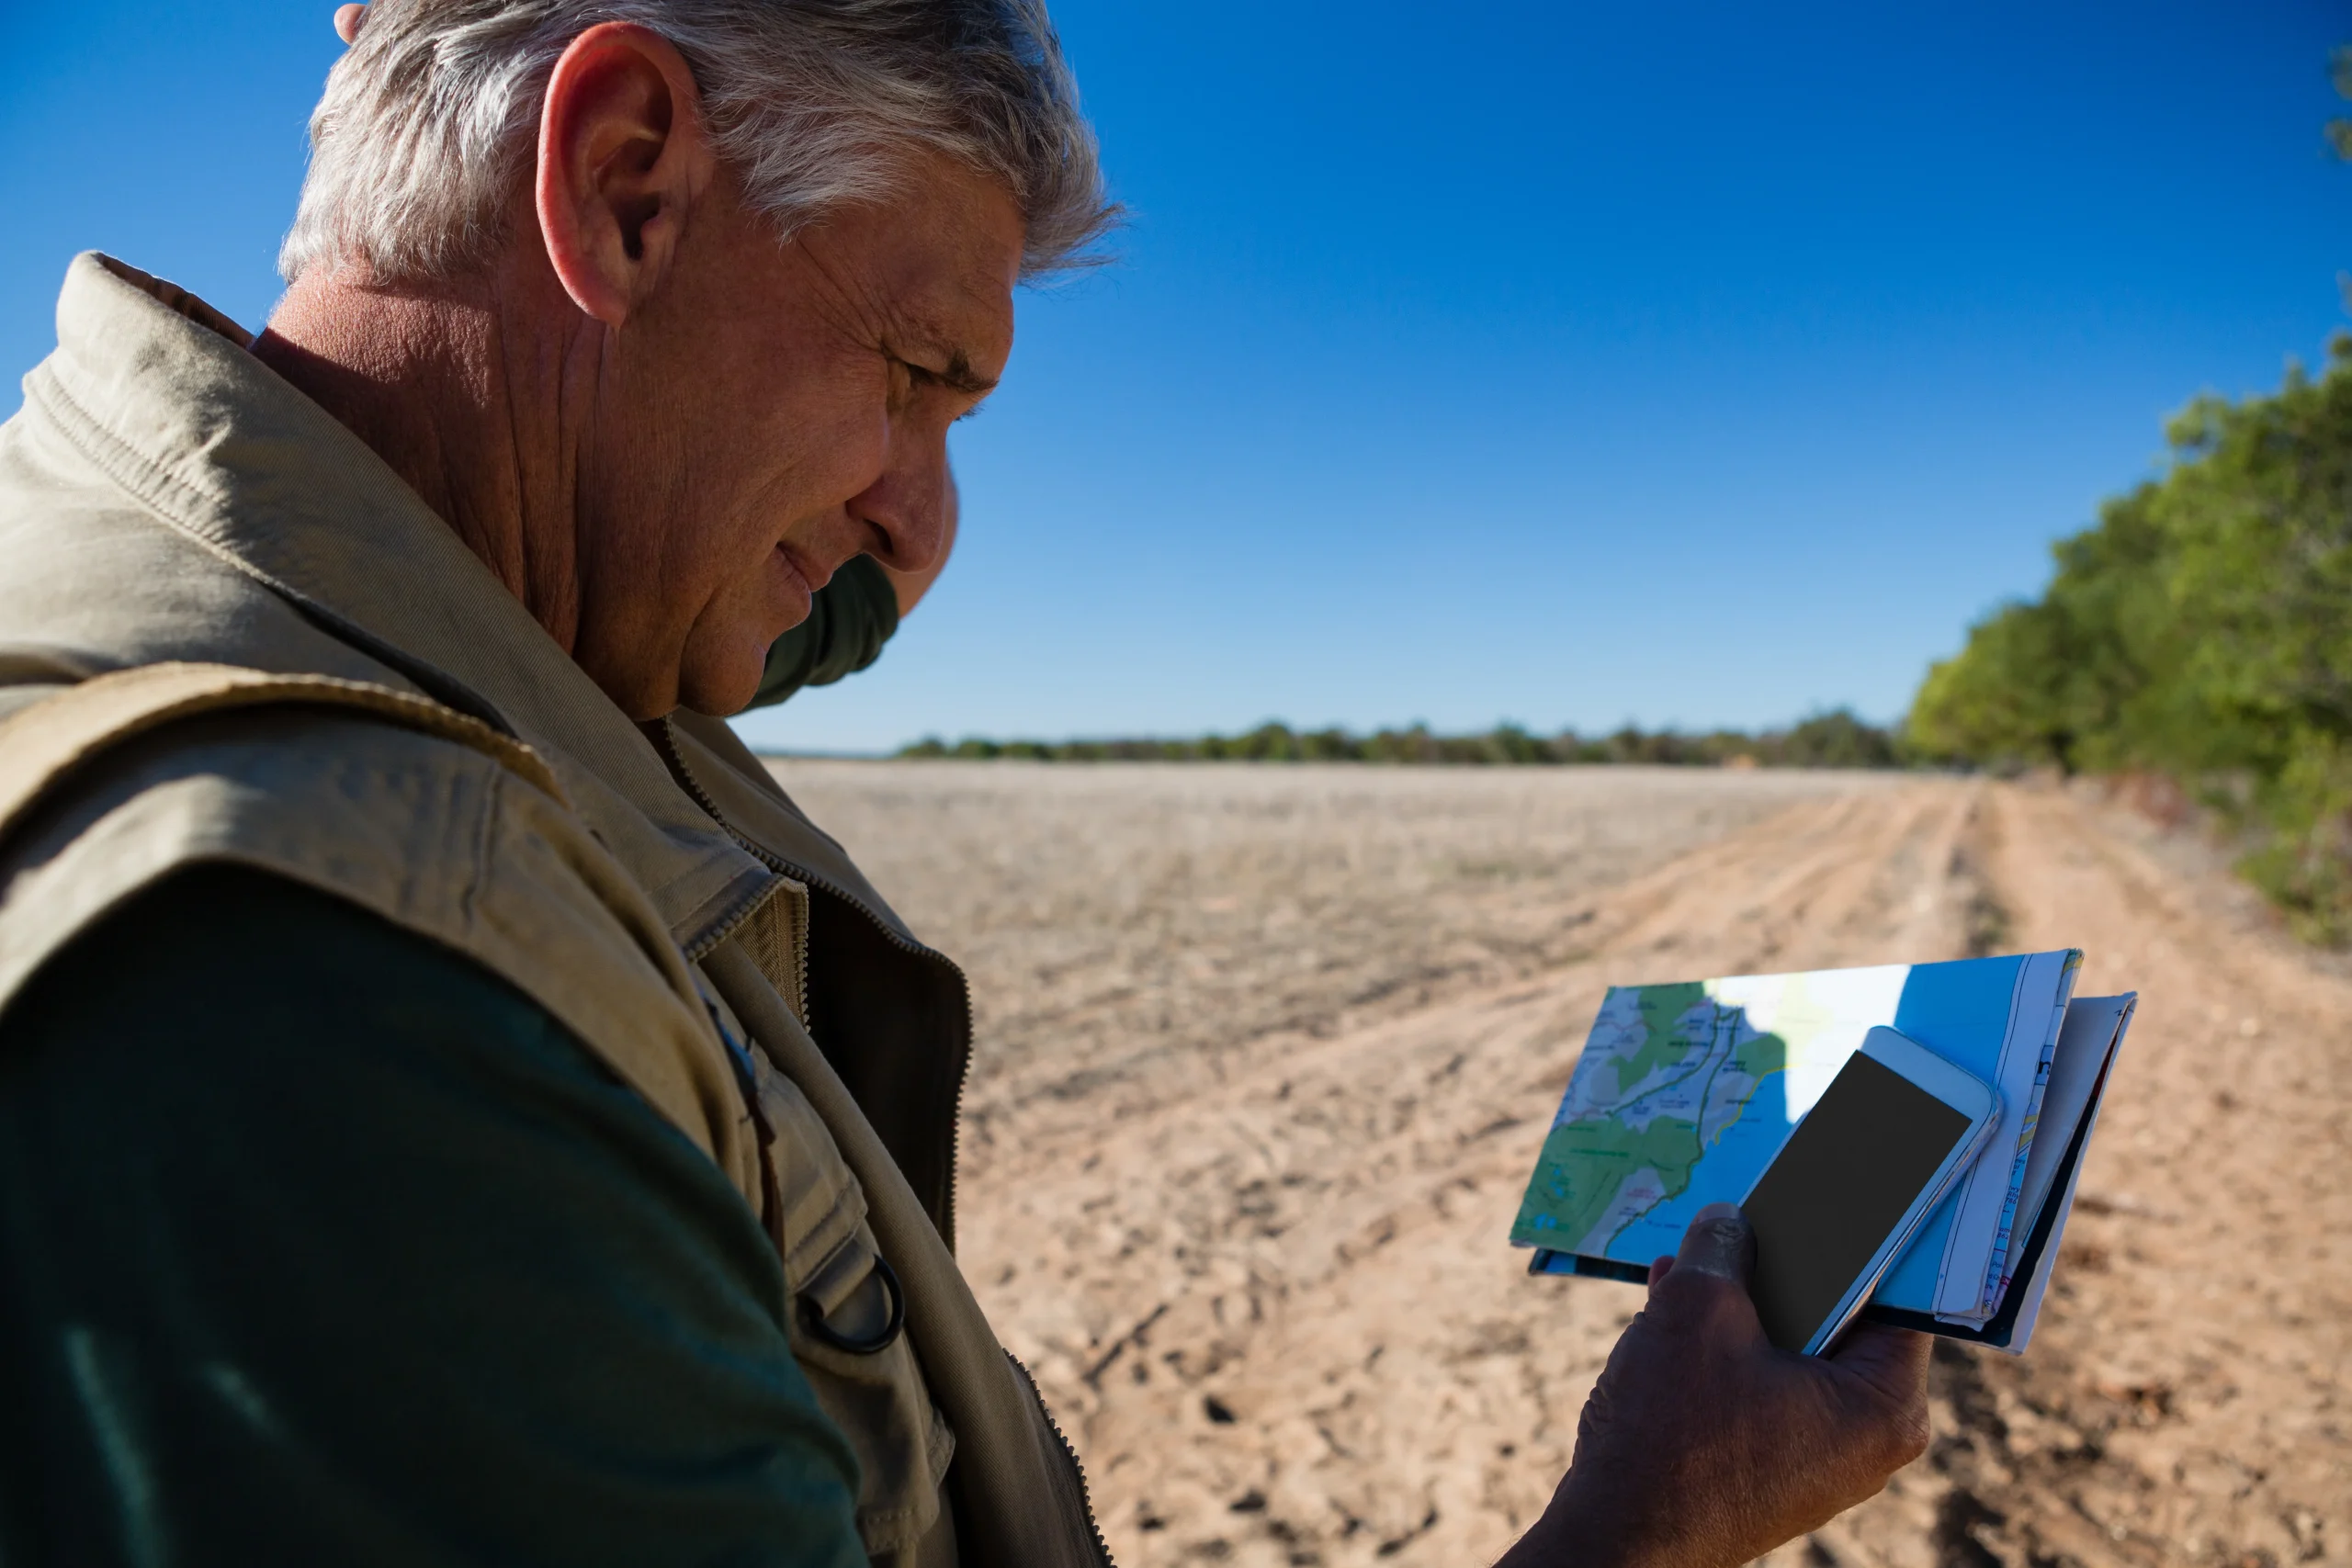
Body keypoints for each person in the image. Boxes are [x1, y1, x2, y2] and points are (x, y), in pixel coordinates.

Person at [0, 2, 1929, 1564]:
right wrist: (1635, 1530)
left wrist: (862, 510)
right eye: (921, 370)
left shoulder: (445, 587)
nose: (916, 519)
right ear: (621, 183)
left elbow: (807, 589)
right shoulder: (334, 998)